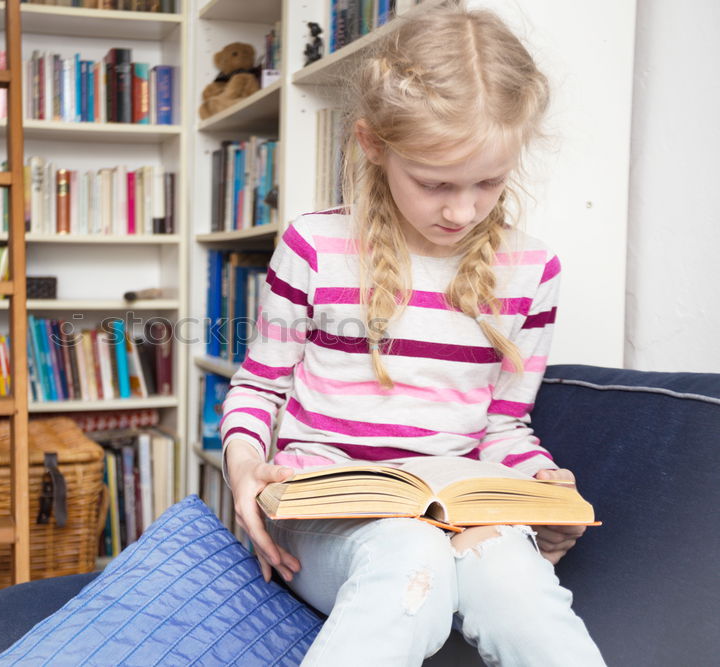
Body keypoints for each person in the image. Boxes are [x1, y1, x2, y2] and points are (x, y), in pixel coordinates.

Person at [220, 3, 606, 665]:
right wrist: (246, 469)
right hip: (325, 511)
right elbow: (259, 386)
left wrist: (544, 485)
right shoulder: (315, 246)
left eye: (488, 182)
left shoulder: (532, 269)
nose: (462, 210)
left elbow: (504, 425)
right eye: (435, 184)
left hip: (454, 506)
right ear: (374, 144)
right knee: (408, 555)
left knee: (516, 582)